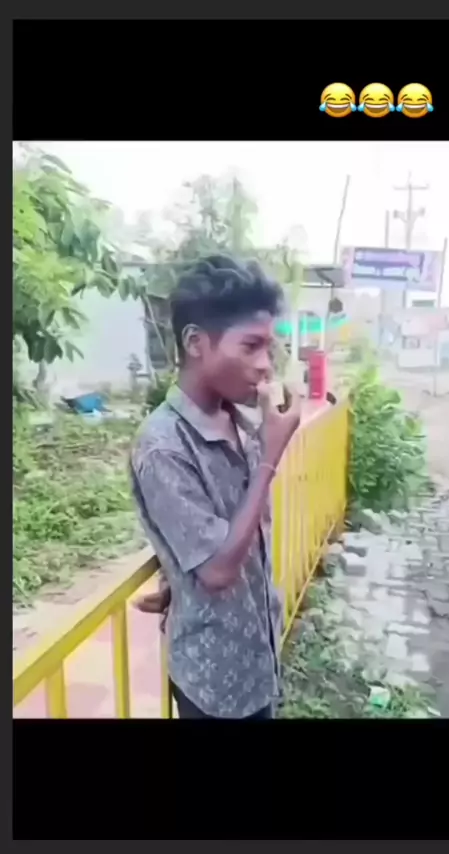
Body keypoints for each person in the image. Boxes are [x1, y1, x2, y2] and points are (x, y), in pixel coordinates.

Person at [130, 255, 300, 719]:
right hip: (213, 682)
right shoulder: (163, 445)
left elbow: (215, 525)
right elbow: (217, 571)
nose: (265, 366)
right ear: (196, 343)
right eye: (251, 346)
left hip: (258, 655)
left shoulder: (239, 419)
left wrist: (173, 579)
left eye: (269, 347)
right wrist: (270, 457)